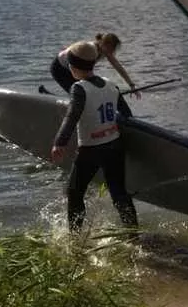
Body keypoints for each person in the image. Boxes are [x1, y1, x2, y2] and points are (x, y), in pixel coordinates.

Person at [50, 41, 139, 235]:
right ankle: (133, 234)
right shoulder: (111, 84)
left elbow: (71, 117)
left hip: (91, 150)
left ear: (72, 68)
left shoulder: (78, 89)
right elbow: (127, 114)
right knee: (119, 193)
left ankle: (74, 238)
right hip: (114, 146)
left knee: (74, 193)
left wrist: (59, 143)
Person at [50, 32, 139, 104]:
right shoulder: (91, 49)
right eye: (110, 49)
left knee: (88, 93)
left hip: (74, 69)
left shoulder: (104, 50)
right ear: (103, 43)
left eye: (113, 50)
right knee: (80, 95)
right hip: (59, 69)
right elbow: (85, 73)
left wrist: (131, 85)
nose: (111, 52)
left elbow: (118, 67)